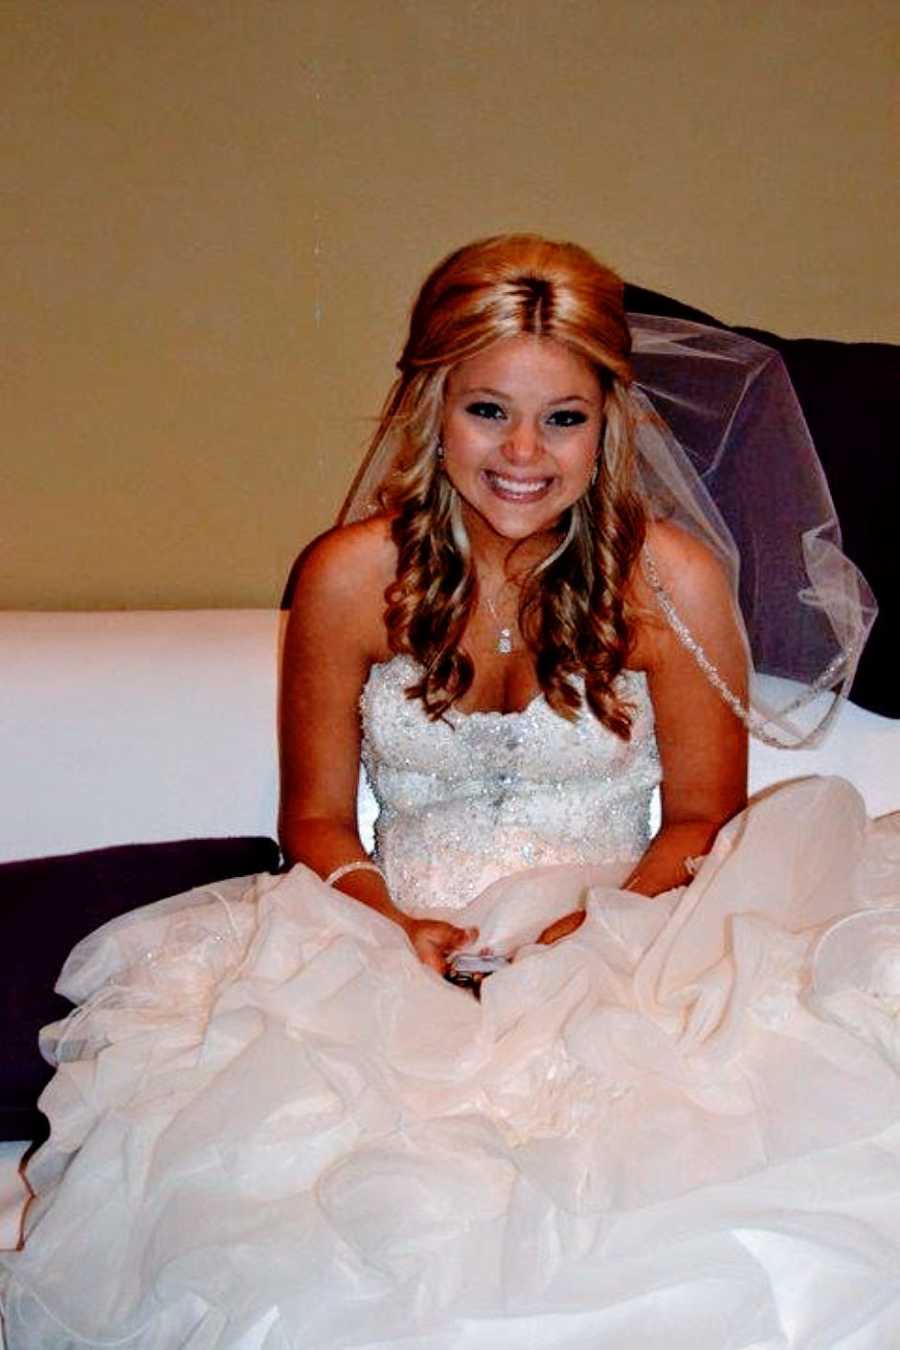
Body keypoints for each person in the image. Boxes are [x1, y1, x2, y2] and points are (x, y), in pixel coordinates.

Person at [2, 235, 898, 1349]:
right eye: (489, 411)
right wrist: (392, 929)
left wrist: (592, 932)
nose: (524, 453)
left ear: (609, 420)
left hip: (622, 938)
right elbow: (318, 820)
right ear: (433, 406)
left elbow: (704, 821)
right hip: (386, 942)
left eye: (563, 418)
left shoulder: (670, 575)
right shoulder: (348, 574)